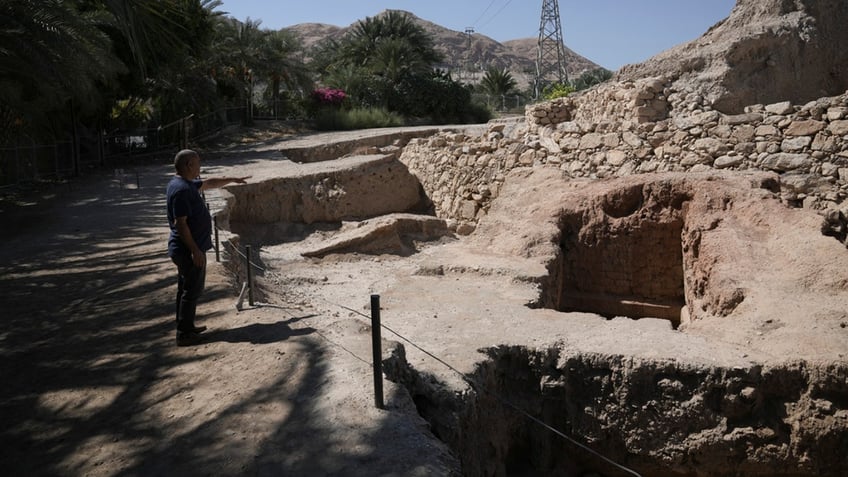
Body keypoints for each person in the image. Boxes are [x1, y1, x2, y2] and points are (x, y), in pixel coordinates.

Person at [166, 149, 249, 346]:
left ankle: (186, 325)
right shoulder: (182, 190)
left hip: (186, 249)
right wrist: (195, 250)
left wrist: (233, 179)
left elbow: (209, 183)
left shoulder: (183, 183)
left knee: (185, 287)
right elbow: (181, 223)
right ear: (188, 165)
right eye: (198, 163)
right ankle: (185, 334)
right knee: (191, 290)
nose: (200, 167)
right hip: (187, 250)